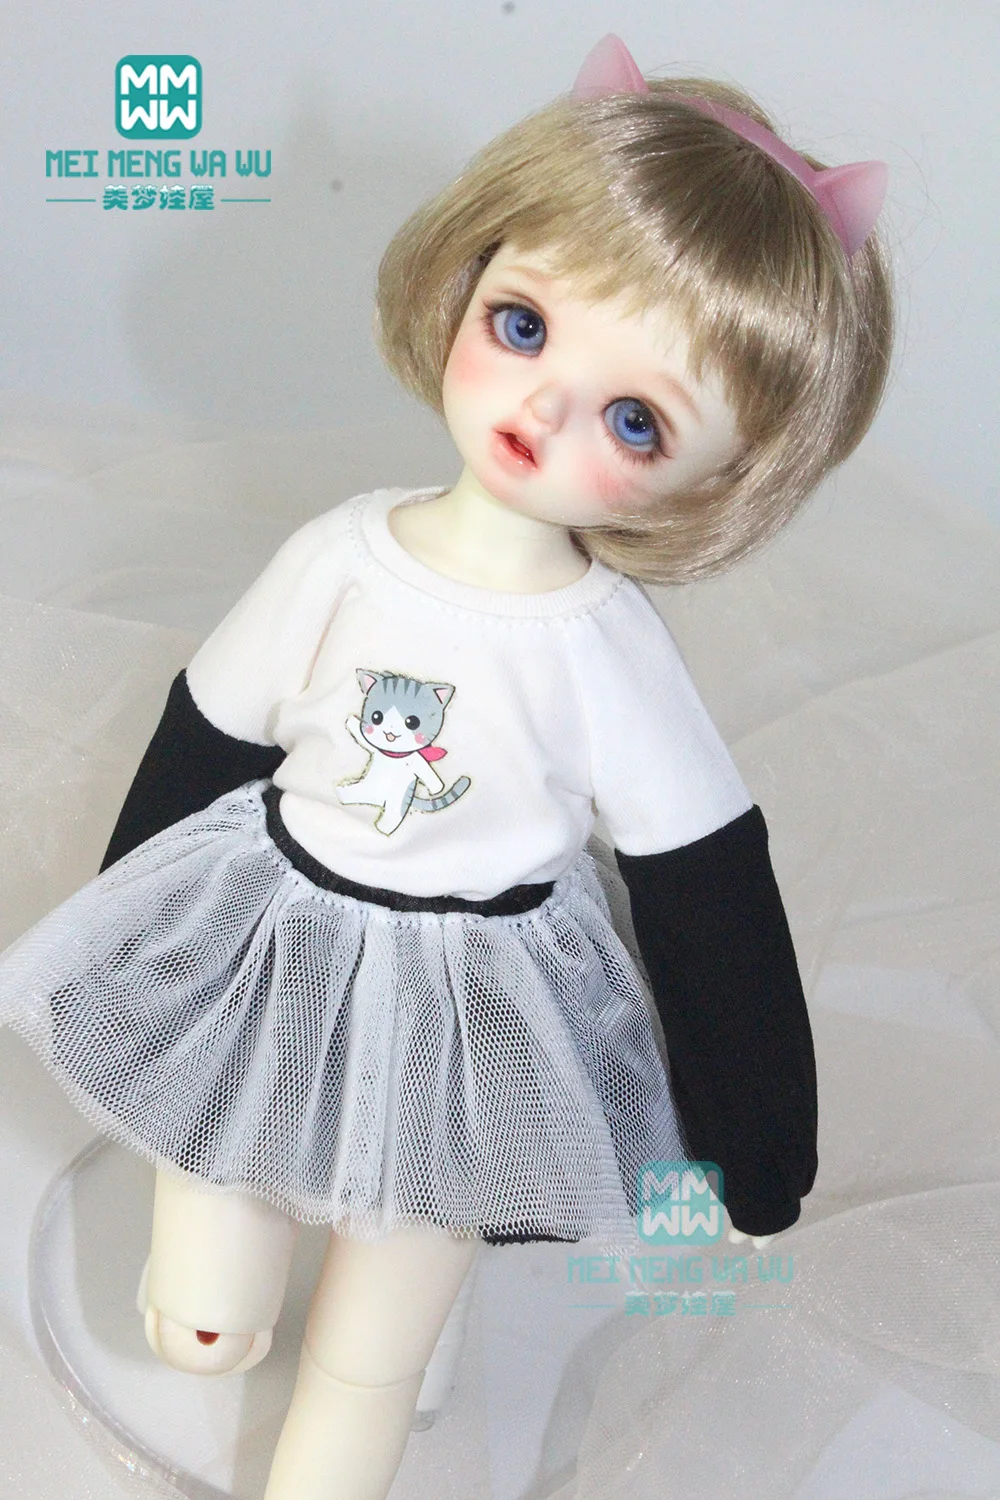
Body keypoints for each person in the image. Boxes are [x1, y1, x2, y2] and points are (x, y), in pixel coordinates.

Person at [0, 35, 893, 1500]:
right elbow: (204, 743)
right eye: (522, 325)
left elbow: (711, 895)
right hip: (276, 926)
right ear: (465, 275)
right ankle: (219, 1258)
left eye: (637, 421)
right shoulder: (340, 556)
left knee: (389, 1297)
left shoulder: (604, 649)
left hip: (473, 1003)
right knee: (210, 1266)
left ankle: (362, 1401)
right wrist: (132, 950)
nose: (541, 411)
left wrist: (755, 1143)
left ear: (723, 476)